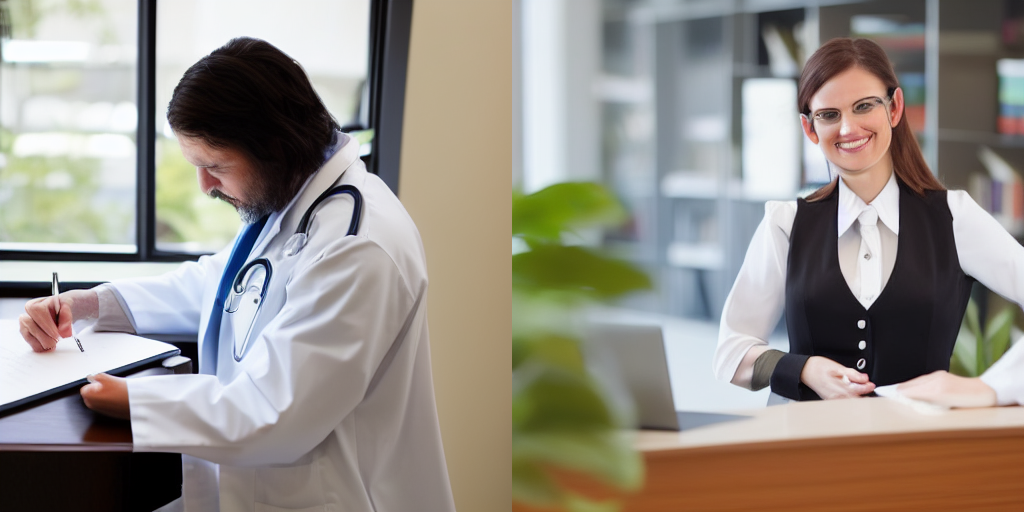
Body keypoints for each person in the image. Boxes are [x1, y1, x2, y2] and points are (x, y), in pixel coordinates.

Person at [18, 37, 456, 512]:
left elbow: (276, 411)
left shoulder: (357, 245)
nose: (205, 186)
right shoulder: (295, 201)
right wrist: (93, 304)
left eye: (215, 166)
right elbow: (223, 285)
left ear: (273, 146)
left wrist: (138, 400)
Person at [712, 37, 1024, 402]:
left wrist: (987, 389)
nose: (847, 129)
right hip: (807, 445)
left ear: (894, 109)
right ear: (810, 128)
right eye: (829, 115)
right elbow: (730, 352)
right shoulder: (785, 223)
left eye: (863, 106)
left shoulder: (954, 216)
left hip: (919, 446)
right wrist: (803, 368)